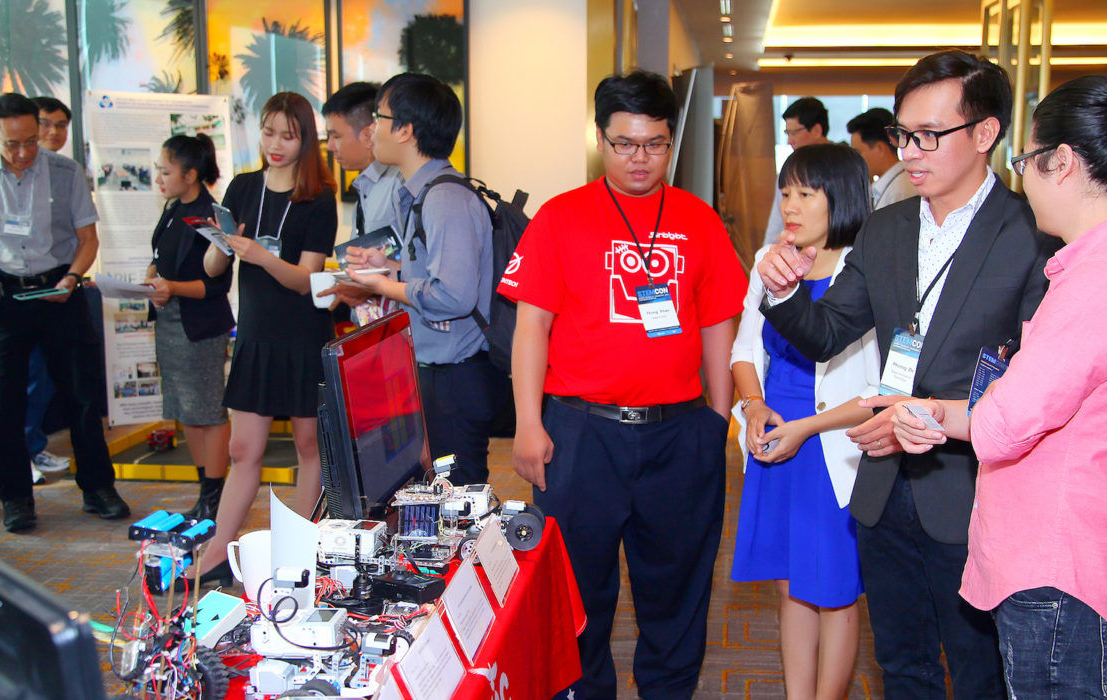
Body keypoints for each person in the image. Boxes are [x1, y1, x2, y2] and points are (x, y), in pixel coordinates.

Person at [755, 50, 1054, 698]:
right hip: (883, 486)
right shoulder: (887, 228)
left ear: (985, 134)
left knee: (979, 673)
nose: (910, 151)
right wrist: (782, 294)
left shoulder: (1030, 235)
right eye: (902, 134)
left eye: (929, 136)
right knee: (902, 663)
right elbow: (831, 329)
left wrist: (937, 417)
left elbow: (1041, 378)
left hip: (976, 489)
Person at [885, 60, 1107, 698]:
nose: (1026, 183)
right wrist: (935, 411)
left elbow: (1004, 424)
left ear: (1062, 163)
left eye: (1028, 162)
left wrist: (940, 414)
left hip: (1062, 570)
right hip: (1080, 558)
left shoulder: (1102, 284)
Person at [498, 70, 746, 699]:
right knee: (578, 593)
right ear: (601, 140)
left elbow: (719, 325)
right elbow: (532, 331)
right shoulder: (560, 218)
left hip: (679, 433)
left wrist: (717, 420)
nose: (640, 158)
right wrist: (529, 422)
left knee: (679, 588)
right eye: (624, 144)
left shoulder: (699, 221)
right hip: (582, 433)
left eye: (655, 144)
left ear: (672, 143)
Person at [730, 143, 880, 699]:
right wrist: (753, 406)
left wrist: (803, 430)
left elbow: (877, 387)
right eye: (785, 191)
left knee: (836, 592)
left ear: (837, 197)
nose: (790, 204)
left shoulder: (861, 269)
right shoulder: (771, 259)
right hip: (774, 437)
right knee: (791, 585)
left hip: (833, 446)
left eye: (805, 193)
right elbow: (743, 350)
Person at [194, 92, 337, 582]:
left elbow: (306, 280)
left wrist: (257, 255)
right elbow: (216, 267)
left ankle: (297, 555)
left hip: (302, 335)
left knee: (308, 445)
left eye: (288, 135)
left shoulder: (319, 197)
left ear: (305, 140)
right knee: (243, 449)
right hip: (254, 336)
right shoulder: (242, 187)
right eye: (269, 131)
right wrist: (219, 244)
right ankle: (218, 551)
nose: (275, 144)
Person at [0, 93, 131, 532]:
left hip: (60, 290)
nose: (24, 152)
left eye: (31, 141)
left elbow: (88, 240)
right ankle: (16, 497)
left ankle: (98, 488)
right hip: (5, 296)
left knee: (81, 398)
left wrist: (73, 279)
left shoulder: (65, 173)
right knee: (2, 401)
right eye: (12, 144)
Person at [341, 73, 503, 487]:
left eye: (379, 117)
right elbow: (437, 274)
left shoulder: (445, 197)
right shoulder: (424, 191)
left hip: (457, 377)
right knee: (440, 490)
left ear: (406, 130)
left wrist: (382, 286)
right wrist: (390, 268)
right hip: (439, 371)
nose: (371, 129)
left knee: (460, 496)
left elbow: (452, 296)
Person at [143, 134, 233, 522]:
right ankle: (203, 492)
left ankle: (214, 495)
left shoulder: (209, 213)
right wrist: (151, 277)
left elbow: (216, 285)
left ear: (191, 174)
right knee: (186, 412)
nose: (159, 178)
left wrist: (171, 287)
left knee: (208, 412)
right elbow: (159, 256)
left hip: (199, 326)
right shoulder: (172, 207)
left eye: (166, 171)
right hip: (169, 324)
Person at [20, 96, 76, 482]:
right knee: (26, 376)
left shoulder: (65, 171)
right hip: (22, 292)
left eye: (61, 125)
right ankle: (24, 451)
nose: (54, 132)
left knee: (48, 378)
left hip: (63, 287)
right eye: (46, 124)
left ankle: (35, 446)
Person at [317, 81, 403, 326]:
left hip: (403, 330)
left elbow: (417, 268)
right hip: (374, 325)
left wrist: (364, 285)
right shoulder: (365, 188)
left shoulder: (398, 186)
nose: (331, 147)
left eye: (336, 136)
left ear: (368, 133)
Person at [763, 97, 833, 245]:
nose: (790, 141)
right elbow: (776, 224)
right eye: (787, 133)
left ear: (816, 130)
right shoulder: (790, 169)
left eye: (794, 133)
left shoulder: (844, 168)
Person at [847, 107, 917, 209]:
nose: (856, 160)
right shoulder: (892, 184)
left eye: (858, 152)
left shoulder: (901, 191)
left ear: (879, 148)